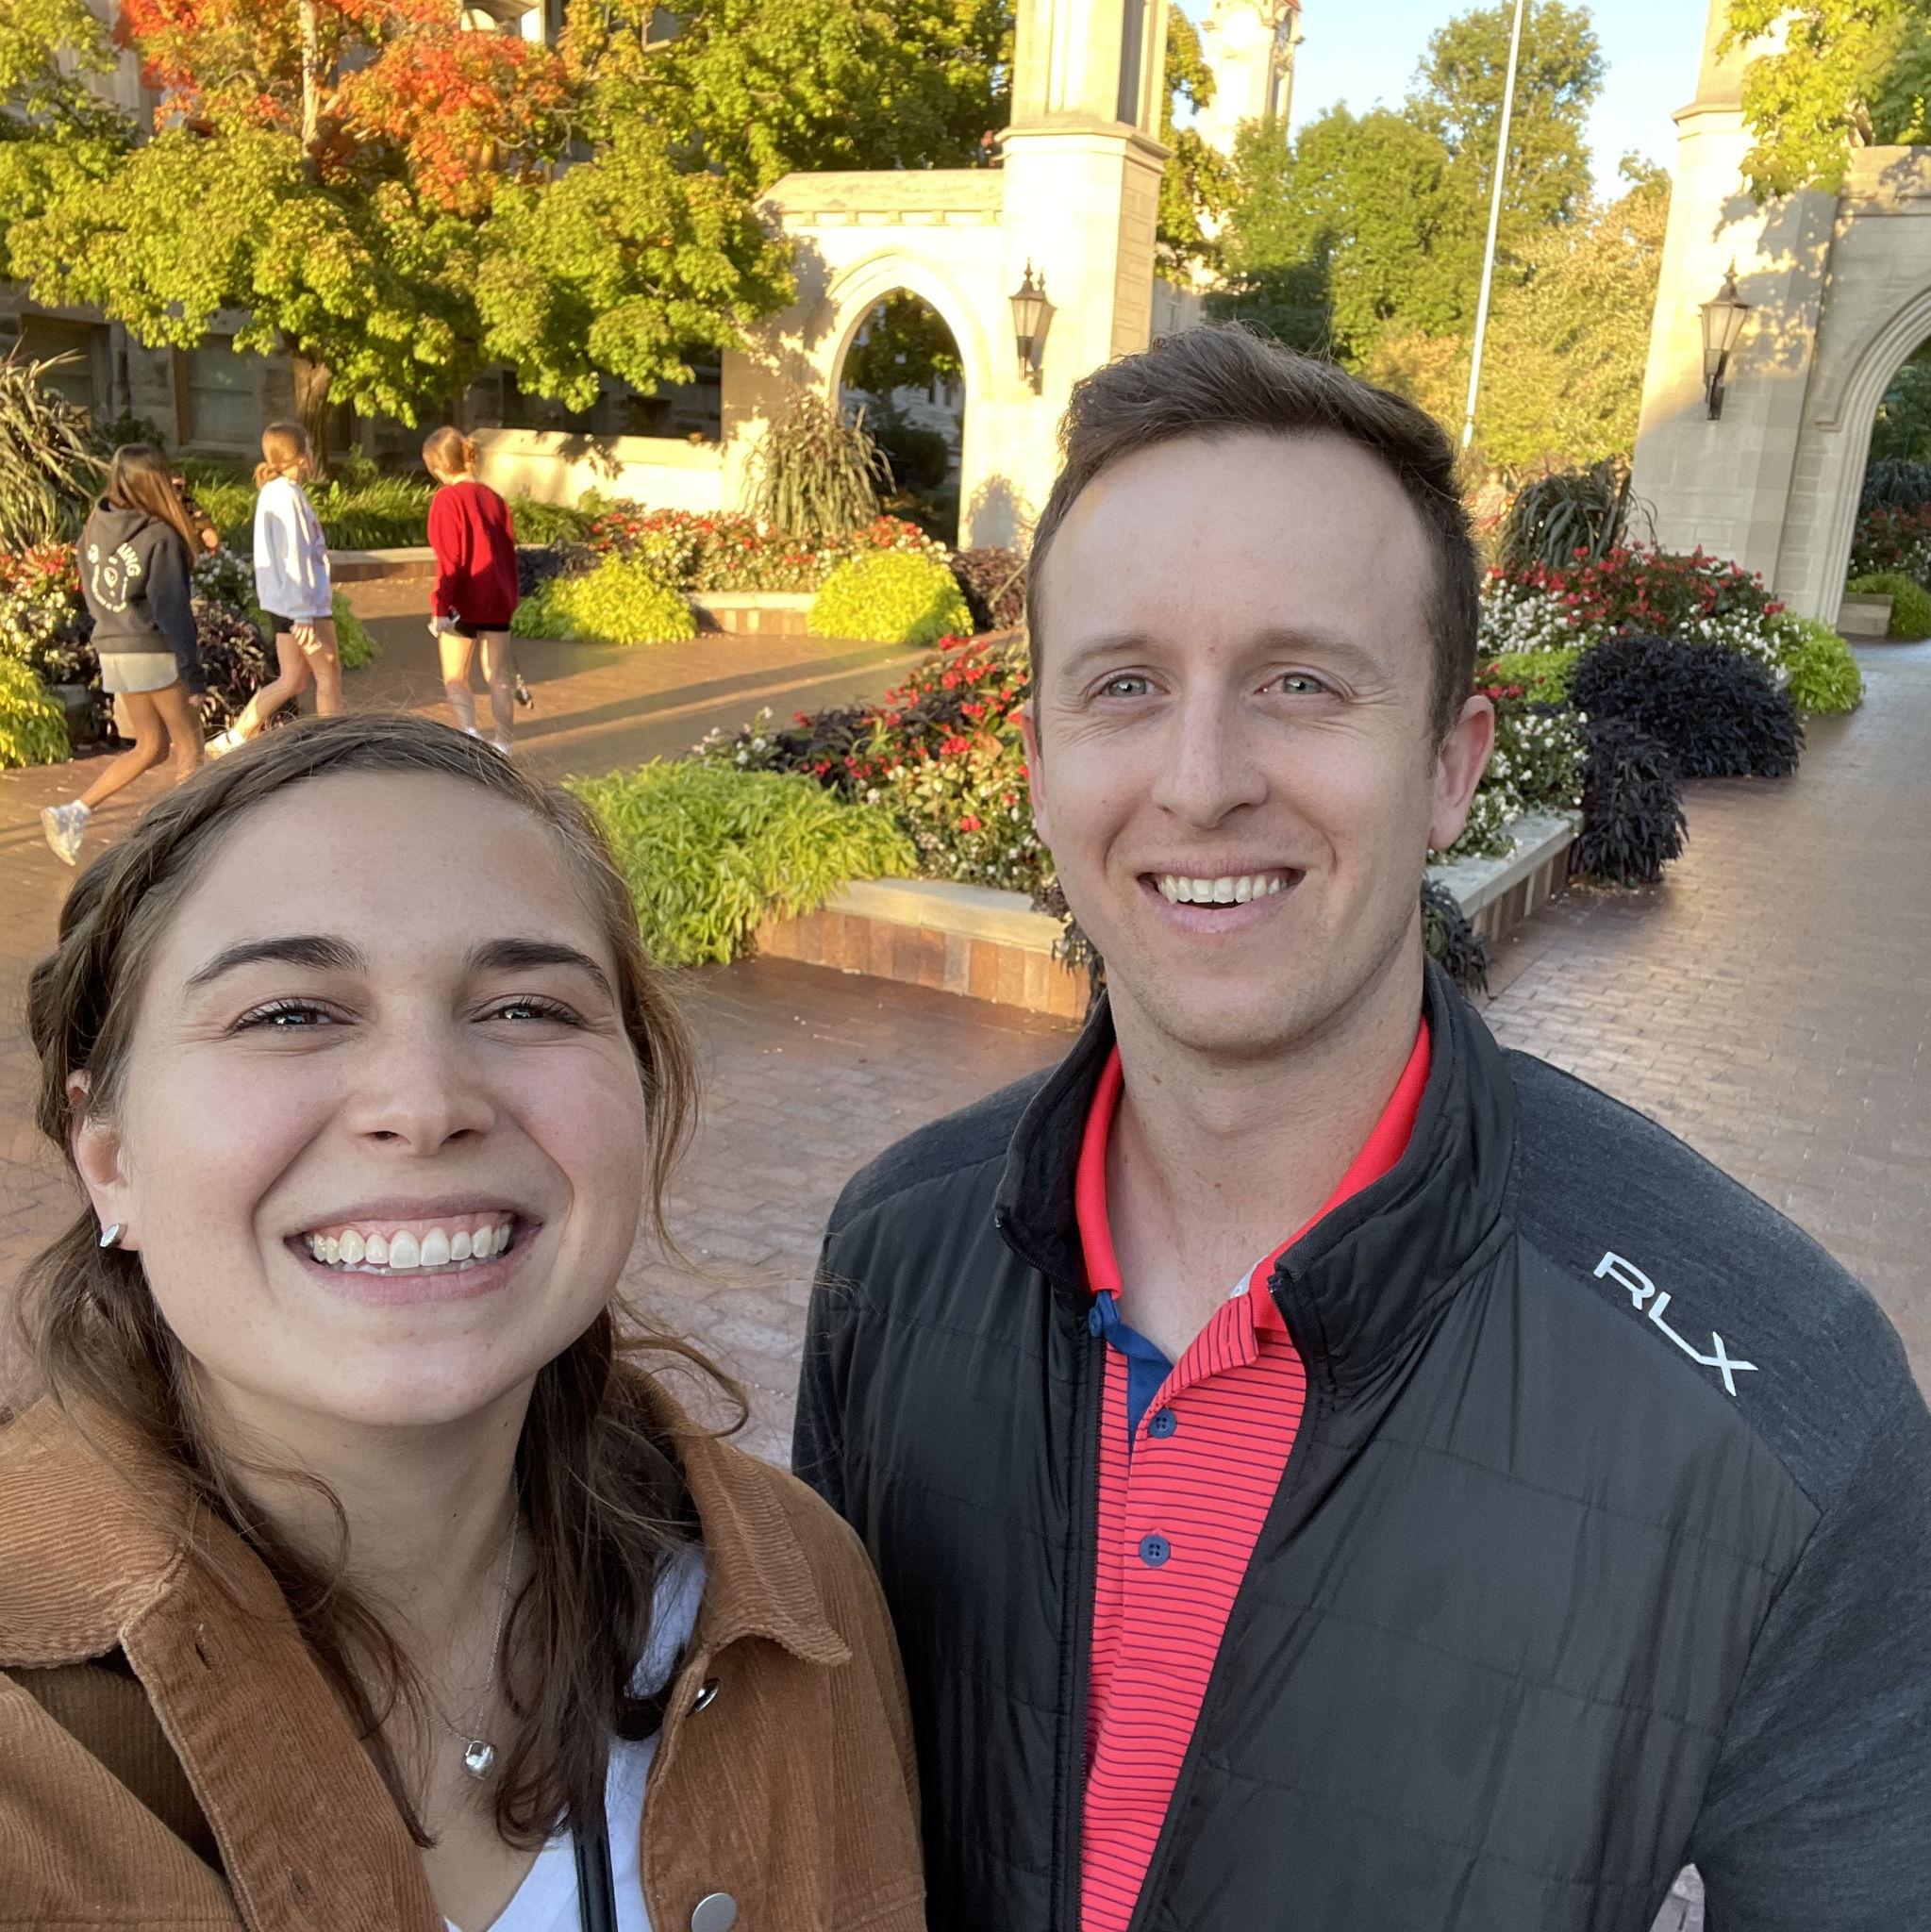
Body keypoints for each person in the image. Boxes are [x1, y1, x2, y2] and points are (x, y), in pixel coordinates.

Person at [793, 326, 1931, 1931]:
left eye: (1299, 683)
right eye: (1126, 686)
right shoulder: (893, 1253)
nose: (1200, 782)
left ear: (1451, 764)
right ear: (1039, 768)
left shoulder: (1777, 1396)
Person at [1, 713, 924, 1932]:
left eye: (526, 1009)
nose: (423, 1104)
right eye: (291, 1014)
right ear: (108, 1157)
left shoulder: (795, 1598)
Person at [41, 445, 206, 867]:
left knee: (151, 746)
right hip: (152, 648)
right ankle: (185, 842)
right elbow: (172, 609)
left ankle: (74, 811)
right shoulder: (160, 536)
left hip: (113, 647)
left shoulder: (96, 523)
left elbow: (91, 586)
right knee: (190, 744)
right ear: (156, 482)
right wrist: (194, 675)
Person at [206, 423, 341, 755]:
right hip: (303, 606)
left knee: (292, 679)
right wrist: (303, 616)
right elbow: (293, 556)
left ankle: (235, 736)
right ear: (300, 456)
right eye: (308, 446)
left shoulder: (277, 493)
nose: (312, 452)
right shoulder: (287, 496)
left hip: (288, 604)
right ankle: (333, 745)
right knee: (329, 673)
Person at [424, 426, 524, 755]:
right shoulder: (494, 498)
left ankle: (470, 734)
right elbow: (508, 549)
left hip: (463, 601)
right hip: (497, 597)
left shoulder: (447, 499)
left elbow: (449, 560)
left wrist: (440, 608)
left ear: (437, 467)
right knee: (500, 675)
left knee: (455, 676)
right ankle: (504, 741)